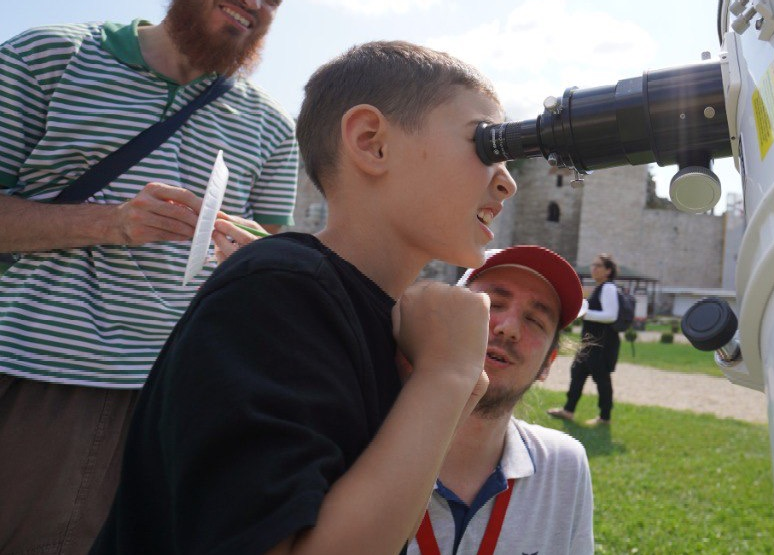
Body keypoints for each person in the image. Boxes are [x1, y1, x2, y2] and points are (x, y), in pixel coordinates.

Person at [90, 41, 516, 554]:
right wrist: (444, 376)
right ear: (372, 142)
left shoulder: (366, 314)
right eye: (487, 144)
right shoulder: (278, 291)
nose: (507, 183)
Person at [0, 0, 299, 554]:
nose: (253, 1)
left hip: (176, 397)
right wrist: (108, 221)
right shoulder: (48, 57)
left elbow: (273, 256)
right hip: (37, 376)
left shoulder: (273, 127)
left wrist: (253, 257)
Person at [408, 245, 593, 555]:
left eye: (535, 320)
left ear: (548, 364)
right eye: (492, 304)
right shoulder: (361, 448)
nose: (508, 329)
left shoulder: (564, 467)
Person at [548, 253, 622, 426]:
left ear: (608, 271)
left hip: (602, 345)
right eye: (593, 265)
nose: (593, 268)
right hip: (589, 344)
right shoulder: (600, 287)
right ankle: (568, 410)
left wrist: (584, 312)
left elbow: (611, 316)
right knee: (577, 373)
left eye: (598, 266)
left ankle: (605, 418)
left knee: (601, 380)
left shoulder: (609, 288)